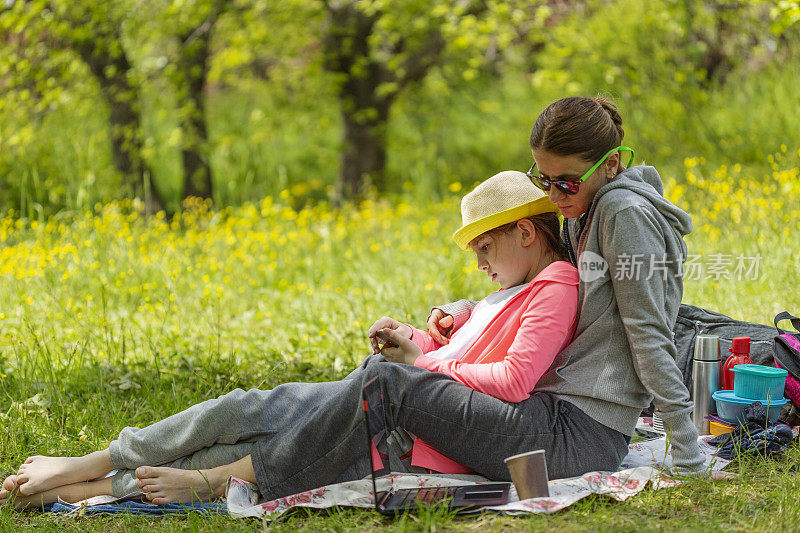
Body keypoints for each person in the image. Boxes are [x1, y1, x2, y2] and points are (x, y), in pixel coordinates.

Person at [0, 170, 583, 509]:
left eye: (485, 248)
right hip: (401, 397)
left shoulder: (553, 286)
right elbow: (456, 362)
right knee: (248, 407)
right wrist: (413, 345)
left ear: (527, 233)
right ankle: (92, 467)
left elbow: (512, 380)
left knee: (277, 431)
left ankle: (102, 485)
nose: (480, 264)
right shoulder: (510, 289)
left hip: (414, 426)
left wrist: (418, 374)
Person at [429, 96, 705, 474]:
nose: (554, 197)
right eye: (544, 180)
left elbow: (650, 334)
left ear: (610, 164)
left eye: (566, 183)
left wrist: (687, 452)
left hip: (583, 421)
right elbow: (541, 288)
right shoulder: (581, 210)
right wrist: (463, 312)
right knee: (397, 380)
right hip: (558, 399)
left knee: (405, 385)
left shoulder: (625, 215)